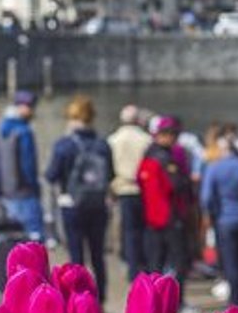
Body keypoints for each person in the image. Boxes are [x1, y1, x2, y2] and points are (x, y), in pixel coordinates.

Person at [44, 95, 114, 299]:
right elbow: (110, 175)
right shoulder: (103, 144)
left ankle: (79, 298)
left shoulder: (64, 144)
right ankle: (100, 299)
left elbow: (51, 175)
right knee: (98, 255)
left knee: (76, 254)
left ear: (71, 118)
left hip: (72, 205)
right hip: (98, 205)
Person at [200, 125, 238, 308]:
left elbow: (206, 197)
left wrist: (212, 213)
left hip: (225, 220)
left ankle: (235, 299)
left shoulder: (214, 168)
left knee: (231, 260)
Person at [136, 115, 198, 283]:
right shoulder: (166, 158)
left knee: (155, 262)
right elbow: (176, 186)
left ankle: (154, 297)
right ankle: (177, 301)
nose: (174, 138)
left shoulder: (148, 156)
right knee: (179, 260)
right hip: (170, 217)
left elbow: (139, 182)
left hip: (152, 217)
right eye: (172, 134)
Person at [107, 104, 151, 284]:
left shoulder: (113, 140)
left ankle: (132, 270)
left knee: (128, 232)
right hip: (143, 189)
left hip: (123, 189)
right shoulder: (146, 139)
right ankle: (145, 266)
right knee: (145, 231)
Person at [0, 90, 46, 246]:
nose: (33, 110)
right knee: (35, 239)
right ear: (21, 107)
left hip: (7, 191)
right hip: (25, 192)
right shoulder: (24, 131)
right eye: (30, 106)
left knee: (16, 240)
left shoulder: (3, 128)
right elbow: (27, 164)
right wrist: (35, 188)